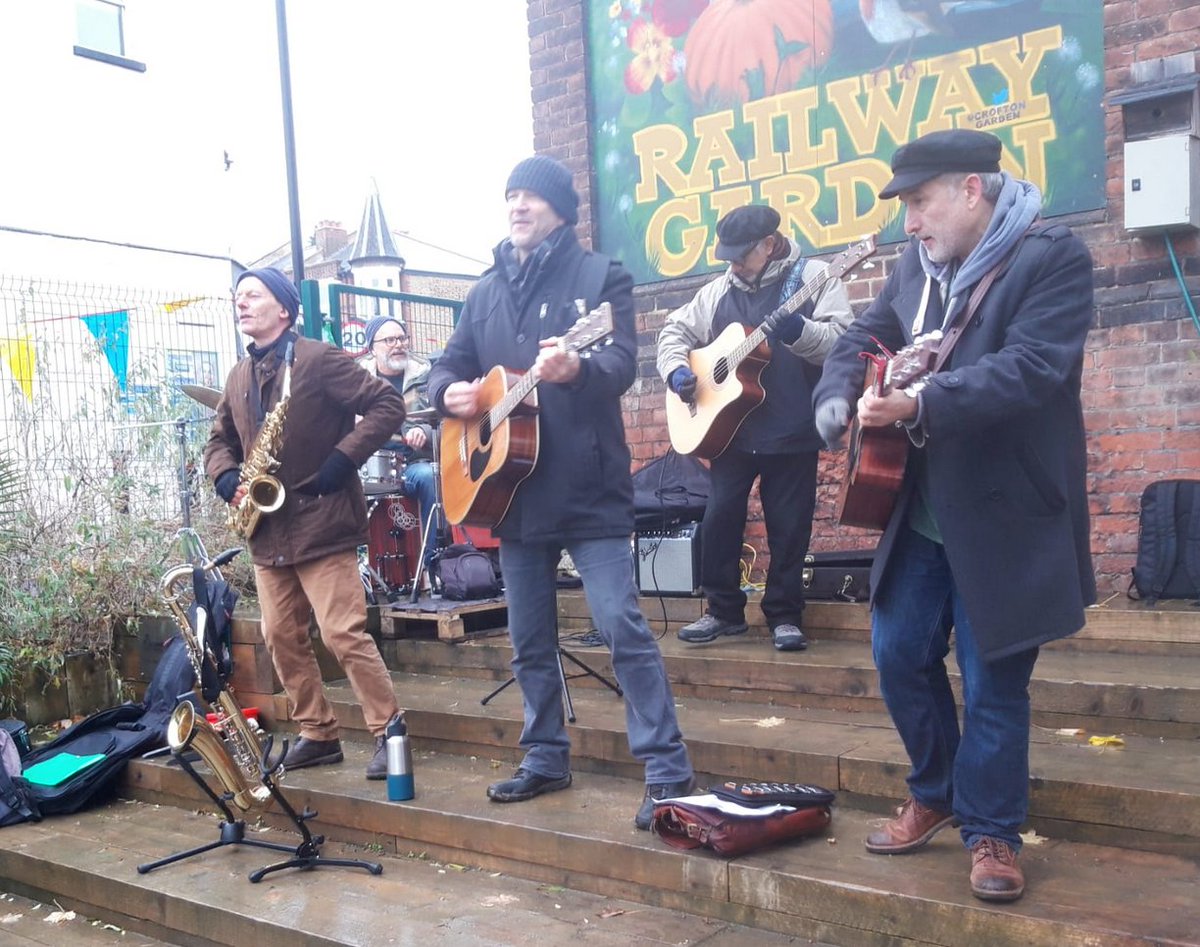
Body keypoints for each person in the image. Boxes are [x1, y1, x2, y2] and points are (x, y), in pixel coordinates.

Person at [811, 129, 1096, 902]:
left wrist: (923, 397)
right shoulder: (919, 266)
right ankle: (935, 789)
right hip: (923, 510)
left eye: (920, 201)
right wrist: (840, 396)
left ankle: (992, 829)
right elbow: (866, 334)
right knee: (898, 652)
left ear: (972, 189)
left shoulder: (1052, 258)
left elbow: (1033, 369)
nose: (910, 223)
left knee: (994, 678)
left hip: (1008, 517)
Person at [427, 155, 695, 829]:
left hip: (587, 487)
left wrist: (576, 367)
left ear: (560, 209)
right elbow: (449, 363)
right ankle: (545, 754)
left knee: (619, 624)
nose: (517, 206)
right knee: (528, 637)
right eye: (510, 194)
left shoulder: (599, 277)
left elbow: (622, 363)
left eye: (531, 197)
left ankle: (666, 769)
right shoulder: (484, 290)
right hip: (511, 492)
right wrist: (444, 393)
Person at [204, 267, 407, 780]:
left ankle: (390, 731)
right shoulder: (237, 377)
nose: (241, 303)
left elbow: (387, 403)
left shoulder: (319, 359)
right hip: (267, 530)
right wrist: (227, 476)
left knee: (342, 633)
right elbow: (217, 441)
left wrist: (344, 459)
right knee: (280, 637)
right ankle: (318, 732)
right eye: (238, 297)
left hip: (321, 521)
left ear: (285, 309)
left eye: (253, 295)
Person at [657, 204, 853, 652]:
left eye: (740, 254)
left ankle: (785, 615)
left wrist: (799, 330)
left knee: (789, 525)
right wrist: (675, 372)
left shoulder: (815, 277)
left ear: (769, 244)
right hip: (731, 430)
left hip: (792, 426)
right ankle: (723, 612)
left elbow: (844, 342)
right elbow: (672, 333)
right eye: (725, 255)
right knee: (720, 517)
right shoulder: (716, 291)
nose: (732, 264)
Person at [358, 315, 441, 577]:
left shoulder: (427, 374)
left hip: (414, 464)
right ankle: (348, 573)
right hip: (365, 466)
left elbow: (448, 419)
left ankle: (434, 567)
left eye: (402, 338)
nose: (399, 345)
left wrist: (425, 431)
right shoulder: (354, 379)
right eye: (390, 340)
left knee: (430, 477)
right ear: (372, 347)